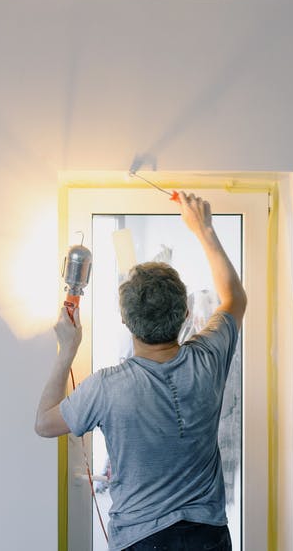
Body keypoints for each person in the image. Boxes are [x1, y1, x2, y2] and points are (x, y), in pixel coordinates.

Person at [34, 192, 247, 551]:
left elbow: (44, 423)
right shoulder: (208, 357)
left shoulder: (106, 387)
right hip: (208, 537)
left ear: (125, 320)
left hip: (142, 541)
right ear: (183, 316)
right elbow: (235, 299)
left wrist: (67, 349)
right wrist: (204, 229)